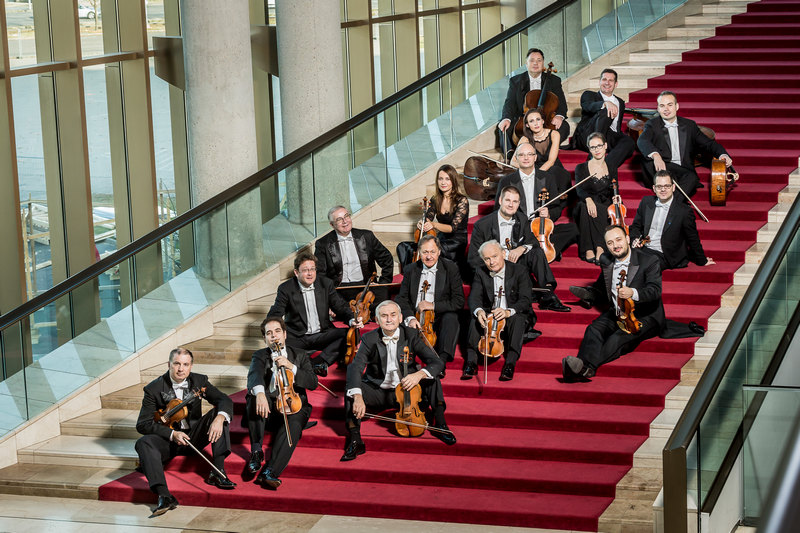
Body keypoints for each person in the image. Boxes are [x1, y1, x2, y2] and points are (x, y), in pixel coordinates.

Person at [341, 300, 455, 461]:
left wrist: (418, 375)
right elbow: (355, 367)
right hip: (379, 391)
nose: (389, 319)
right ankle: (355, 439)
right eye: (384, 316)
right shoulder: (369, 338)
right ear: (377, 320)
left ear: (401, 318)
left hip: (408, 391)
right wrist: (358, 396)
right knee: (351, 390)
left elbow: (437, 362)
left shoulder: (412, 334)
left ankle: (440, 425)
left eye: (393, 315)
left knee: (432, 378)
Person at [134, 348, 235, 516]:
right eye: (177, 364)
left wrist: (220, 418)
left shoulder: (199, 381)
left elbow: (224, 399)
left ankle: (218, 471)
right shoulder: (153, 388)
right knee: (143, 442)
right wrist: (172, 434)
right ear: (169, 365)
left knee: (220, 415)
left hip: (194, 436)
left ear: (191, 366)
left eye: (185, 364)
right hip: (169, 441)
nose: (181, 369)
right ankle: (164, 496)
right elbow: (142, 424)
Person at [562, 225, 665, 382]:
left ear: (628, 239)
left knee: (618, 338)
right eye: (610, 243)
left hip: (645, 314)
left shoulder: (649, 260)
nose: (615, 245)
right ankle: (580, 367)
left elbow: (655, 290)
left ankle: (586, 368)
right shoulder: (606, 260)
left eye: (618, 240)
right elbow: (605, 285)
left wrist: (633, 293)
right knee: (593, 329)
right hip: (617, 311)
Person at [244, 317, 318, 489]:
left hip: (294, 403)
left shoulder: (299, 355)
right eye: (269, 333)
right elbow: (254, 375)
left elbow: (313, 383)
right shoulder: (260, 355)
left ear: (284, 334)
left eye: (277, 331)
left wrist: (291, 367)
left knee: (293, 424)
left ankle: (270, 471)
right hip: (269, 408)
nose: (274, 336)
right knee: (254, 396)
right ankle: (256, 451)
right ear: (265, 339)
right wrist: (260, 393)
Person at [267, 251, 363, 377]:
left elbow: (340, 306)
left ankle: (316, 363)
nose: (310, 273)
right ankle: (318, 364)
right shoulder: (286, 288)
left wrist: (352, 319)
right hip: (297, 336)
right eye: (306, 270)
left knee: (353, 335)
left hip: (322, 333)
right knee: (279, 346)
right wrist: (275, 331)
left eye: (312, 269)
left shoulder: (325, 284)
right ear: (296, 273)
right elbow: (276, 313)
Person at [475, 185, 569, 312]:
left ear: (519, 203)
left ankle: (548, 295)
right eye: (507, 200)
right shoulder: (482, 225)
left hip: (516, 262)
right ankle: (529, 293)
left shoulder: (522, 219)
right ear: (500, 201)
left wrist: (522, 249)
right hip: (496, 265)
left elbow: (533, 242)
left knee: (536, 252)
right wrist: (499, 259)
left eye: (515, 201)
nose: (510, 205)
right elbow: (473, 259)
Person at [637, 91, 733, 196]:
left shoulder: (689, 125)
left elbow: (708, 143)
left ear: (677, 106)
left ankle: (671, 204)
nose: (666, 109)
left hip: (683, 170)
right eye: (662, 106)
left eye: (670, 105)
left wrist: (723, 154)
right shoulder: (652, 124)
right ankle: (675, 201)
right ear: (658, 109)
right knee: (648, 163)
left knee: (691, 177)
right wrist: (656, 156)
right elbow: (642, 141)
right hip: (663, 166)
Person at [463, 240, 534, 382]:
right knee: (474, 317)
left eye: (494, 256)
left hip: (512, 313)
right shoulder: (480, 272)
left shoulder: (519, 270)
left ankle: (510, 364)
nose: (491, 262)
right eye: (487, 259)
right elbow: (474, 297)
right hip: (491, 313)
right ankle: (471, 362)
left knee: (518, 319)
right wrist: (479, 311)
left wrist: (508, 312)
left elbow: (525, 300)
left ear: (503, 253)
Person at [395, 234, 465, 375]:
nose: (429, 256)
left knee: (451, 319)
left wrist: (432, 305)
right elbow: (401, 298)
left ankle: (441, 362)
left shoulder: (450, 268)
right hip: (416, 315)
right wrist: (410, 318)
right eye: (425, 252)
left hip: (439, 315)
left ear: (439, 252)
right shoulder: (410, 269)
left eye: (432, 252)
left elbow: (458, 301)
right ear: (419, 253)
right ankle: (408, 364)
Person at [494, 143, 578, 256]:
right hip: (519, 229)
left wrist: (548, 214)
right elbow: (497, 210)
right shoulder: (506, 181)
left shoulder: (547, 178)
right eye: (522, 155)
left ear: (535, 157)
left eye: (530, 154)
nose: (526, 158)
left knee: (573, 229)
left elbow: (556, 208)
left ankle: (539, 249)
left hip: (541, 226)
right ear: (516, 158)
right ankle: (543, 250)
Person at [629, 170, 714, 270]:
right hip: (644, 248)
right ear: (654, 188)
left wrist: (702, 260)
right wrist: (634, 239)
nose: (663, 190)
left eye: (667, 186)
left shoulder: (684, 211)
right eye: (659, 186)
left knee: (643, 265)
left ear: (673, 187)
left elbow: (692, 237)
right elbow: (635, 227)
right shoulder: (646, 202)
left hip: (665, 255)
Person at [396, 164, 469, 273]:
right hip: (441, 238)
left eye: (447, 179)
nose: (443, 182)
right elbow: (428, 218)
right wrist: (422, 222)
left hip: (456, 240)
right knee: (403, 247)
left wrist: (434, 225)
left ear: (453, 180)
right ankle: (410, 274)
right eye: (440, 179)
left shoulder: (462, 200)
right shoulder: (435, 199)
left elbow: (452, 228)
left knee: (432, 250)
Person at [315, 205, 394, 305]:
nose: (345, 221)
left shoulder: (367, 236)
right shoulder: (323, 243)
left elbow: (386, 259)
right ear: (332, 225)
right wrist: (328, 292)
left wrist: (383, 283)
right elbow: (319, 273)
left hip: (365, 285)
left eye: (346, 216)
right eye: (339, 219)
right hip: (339, 288)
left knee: (383, 300)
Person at [497, 48, 569, 158]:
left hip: (546, 119)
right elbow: (510, 103)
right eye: (532, 60)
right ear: (526, 63)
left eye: (539, 60)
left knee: (564, 127)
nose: (535, 63)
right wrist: (506, 118)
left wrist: (559, 116)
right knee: (504, 128)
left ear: (543, 63)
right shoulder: (516, 81)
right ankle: (511, 156)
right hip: (524, 119)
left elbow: (562, 104)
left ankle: (547, 152)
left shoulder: (554, 80)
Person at [573, 132, 620, 263]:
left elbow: (615, 188)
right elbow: (580, 190)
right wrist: (588, 200)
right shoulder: (581, 168)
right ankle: (588, 249)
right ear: (589, 149)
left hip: (604, 203)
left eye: (599, 146)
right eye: (593, 147)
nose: (597, 150)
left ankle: (599, 248)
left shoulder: (611, 167)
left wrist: (617, 197)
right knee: (583, 207)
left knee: (601, 209)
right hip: (585, 202)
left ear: (605, 146)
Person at [573, 69, 635, 169]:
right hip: (589, 135)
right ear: (600, 82)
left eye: (610, 80)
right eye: (604, 79)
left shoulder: (620, 102)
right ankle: (592, 159)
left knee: (629, 142)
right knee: (606, 111)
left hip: (609, 137)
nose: (607, 82)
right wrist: (605, 103)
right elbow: (588, 106)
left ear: (616, 84)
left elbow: (616, 127)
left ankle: (605, 167)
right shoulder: (589, 95)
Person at [517, 107, 572, 192]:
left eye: (538, 119)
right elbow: (513, 161)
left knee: (554, 171)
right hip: (535, 171)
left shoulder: (554, 134)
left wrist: (536, 175)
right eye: (531, 121)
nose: (536, 123)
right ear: (527, 125)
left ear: (543, 121)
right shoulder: (525, 139)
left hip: (554, 170)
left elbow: (551, 161)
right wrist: (529, 170)